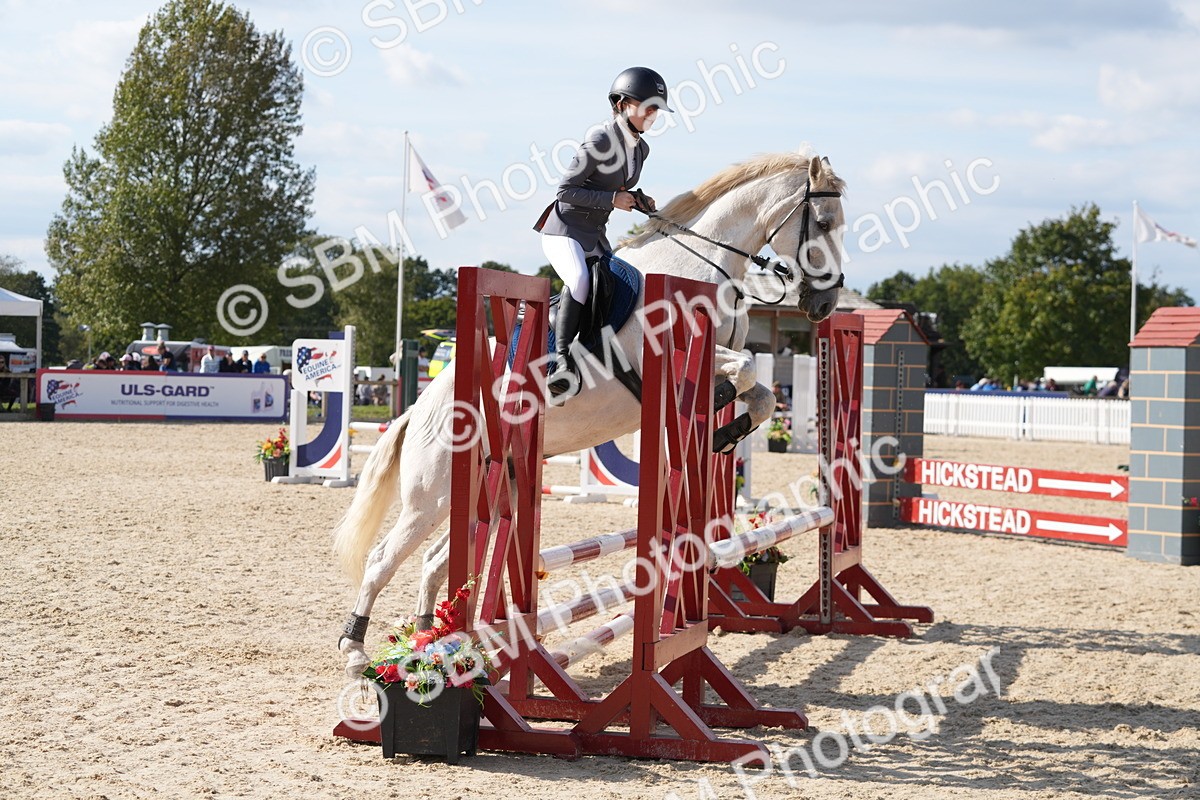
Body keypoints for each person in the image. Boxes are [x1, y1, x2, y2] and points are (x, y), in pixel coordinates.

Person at [534, 66, 673, 398]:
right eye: (647, 107)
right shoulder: (601, 138)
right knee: (580, 280)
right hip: (564, 231)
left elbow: (618, 185)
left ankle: (603, 357)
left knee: (616, 288)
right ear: (623, 104)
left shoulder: (641, 150)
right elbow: (565, 191)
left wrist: (638, 199)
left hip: (595, 235)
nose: (652, 115)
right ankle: (563, 365)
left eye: (656, 109)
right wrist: (613, 199)